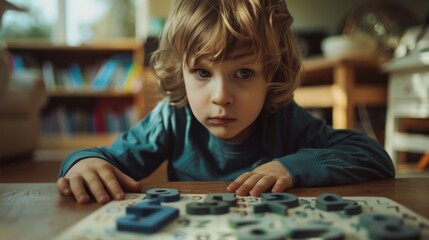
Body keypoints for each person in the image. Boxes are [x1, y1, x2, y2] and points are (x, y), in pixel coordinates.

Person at [57, 0, 395, 204]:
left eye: (244, 73)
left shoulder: (284, 119)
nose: (220, 97)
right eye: (203, 73)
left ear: (271, 76)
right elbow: (103, 159)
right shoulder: (172, 119)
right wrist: (80, 163)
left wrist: (292, 166)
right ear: (181, 71)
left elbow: (375, 157)